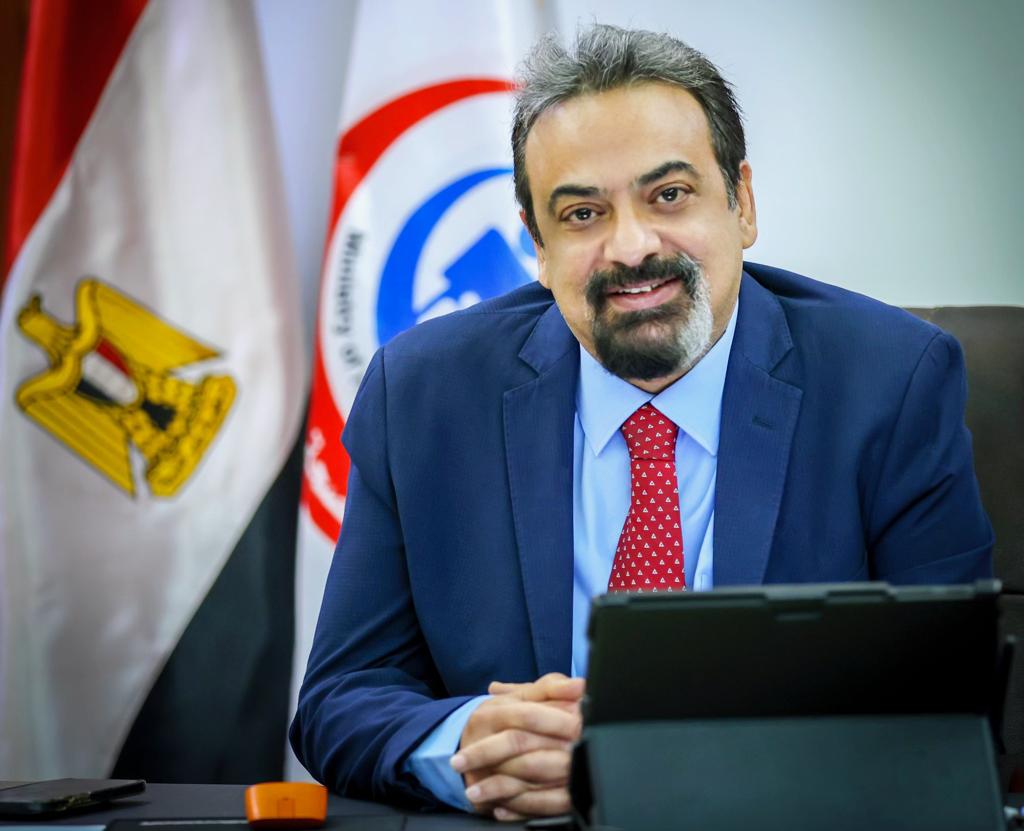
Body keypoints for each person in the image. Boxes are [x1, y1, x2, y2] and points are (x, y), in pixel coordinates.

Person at [289, 24, 993, 822]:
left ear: (742, 203)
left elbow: (946, 709)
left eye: (669, 195)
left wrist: (688, 773)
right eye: (583, 213)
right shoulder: (424, 395)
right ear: (538, 245)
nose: (630, 247)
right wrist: (469, 747)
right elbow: (341, 697)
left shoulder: (890, 382)